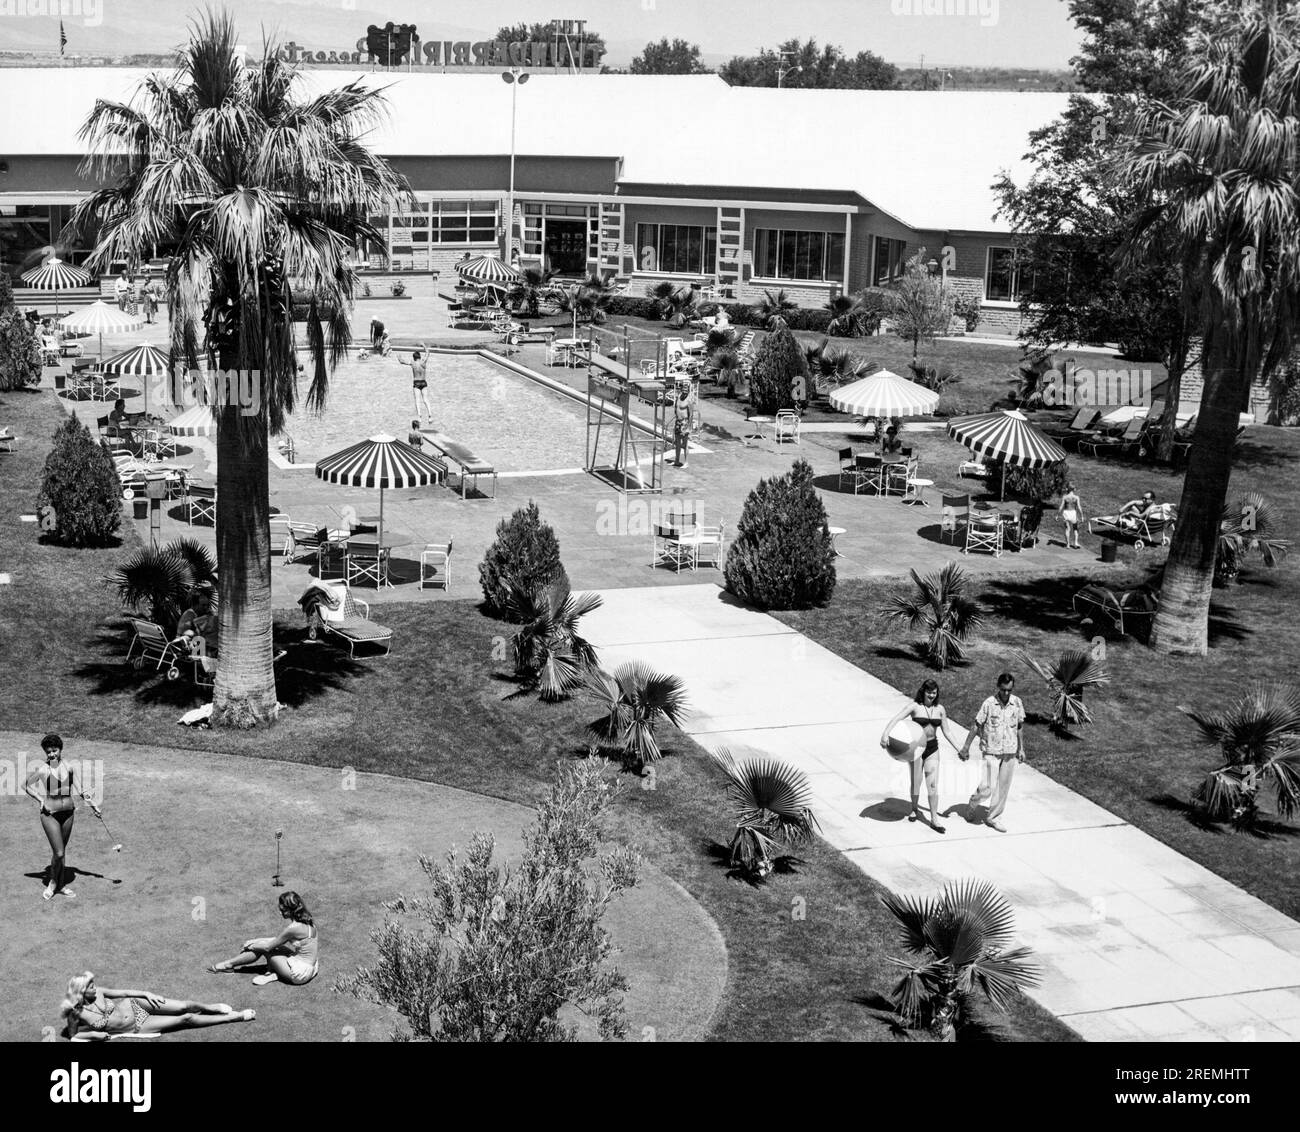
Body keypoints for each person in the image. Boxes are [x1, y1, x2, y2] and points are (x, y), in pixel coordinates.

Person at [61, 972, 253, 1039]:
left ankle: (211, 1007)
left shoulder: (100, 991)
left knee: (183, 1006)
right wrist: (93, 1034)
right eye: (90, 986)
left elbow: (125, 993)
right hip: (138, 1026)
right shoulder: (76, 1013)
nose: (95, 986)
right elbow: (73, 1035)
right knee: (186, 1018)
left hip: (135, 1004)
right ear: (81, 991)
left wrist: (146, 993)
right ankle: (233, 1017)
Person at [23, 734, 101, 899]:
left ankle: (61, 884)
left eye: (54, 750)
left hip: (68, 814)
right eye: (48, 752)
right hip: (50, 814)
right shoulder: (43, 769)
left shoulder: (69, 767)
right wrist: (40, 799)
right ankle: (53, 882)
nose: (51, 754)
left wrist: (93, 806)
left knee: (62, 852)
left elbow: (81, 790)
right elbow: (26, 785)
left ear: (60, 749)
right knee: (58, 853)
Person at [879, 679, 962, 833]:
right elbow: (896, 719)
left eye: (934, 692)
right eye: (929, 692)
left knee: (932, 785)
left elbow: (947, 731)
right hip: (915, 748)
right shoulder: (915, 707)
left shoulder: (940, 709)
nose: (932, 695)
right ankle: (914, 809)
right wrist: (885, 734)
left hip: (932, 748)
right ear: (923, 691)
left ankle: (934, 820)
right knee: (916, 782)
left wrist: (959, 748)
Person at [957, 673, 1026, 832]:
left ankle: (993, 817)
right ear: (998, 687)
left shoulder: (1017, 703)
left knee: (1003, 788)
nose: (1006, 693)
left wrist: (1021, 749)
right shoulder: (989, 703)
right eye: (1003, 690)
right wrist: (966, 747)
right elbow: (976, 725)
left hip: (1010, 751)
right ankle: (973, 803)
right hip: (991, 751)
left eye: (1009, 690)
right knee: (986, 787)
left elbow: (1020, 726)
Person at [208, 891, 319, 987]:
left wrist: (252, 946)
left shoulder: (293, 929)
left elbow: (267, 947)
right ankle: (272, 972)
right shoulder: (308, 921)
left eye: (283, 910)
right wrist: (254, 941)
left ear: (290, 911)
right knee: (267, 945)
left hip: (299, 974)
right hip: (311, 967)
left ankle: (228, 965)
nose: (280, 913)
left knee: (265, 949)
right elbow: (278, 940)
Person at [399, 343, 432, 422]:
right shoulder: (423, 362)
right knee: (425, 399)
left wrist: (399, 357)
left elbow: (402, 362)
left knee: (417, 400)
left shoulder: (412, 363)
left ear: (414, 358)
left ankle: (419, 416)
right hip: (423, 382)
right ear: (420, 357)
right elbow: (428, 353)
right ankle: (430, 415)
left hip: (416, 383)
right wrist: (424, 345)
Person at [672, 382, 691, 469]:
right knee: (677, 442)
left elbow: (691, 414)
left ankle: (686, 462)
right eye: (683, 389)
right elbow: (676, 409)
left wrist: (689, 426)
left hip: (685, 423)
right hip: (678, 422)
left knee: (685, 443)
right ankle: (677, 460)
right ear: (681, 389)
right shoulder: (678, 397)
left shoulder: (689, 400)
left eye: (686, 390)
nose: (685, 391)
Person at [1059, 482, 1083, 550]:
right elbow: (1079, 507)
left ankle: (1068, 544)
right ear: (1074, 489)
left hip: (1066, 512)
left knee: (1067, 529)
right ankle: (1075, 543)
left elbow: (1061, 506)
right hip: (1073, 513)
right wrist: (1082, 515)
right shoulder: (1076, 497)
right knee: (1075, 528)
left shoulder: (1065, 497)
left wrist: (1058, 515)